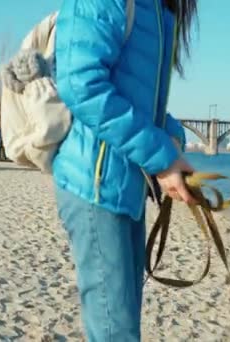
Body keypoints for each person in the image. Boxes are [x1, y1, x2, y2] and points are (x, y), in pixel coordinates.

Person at [52, 1, 198, 340]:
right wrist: (161, 157)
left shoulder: (157, 10)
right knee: (115, 331)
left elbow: (135, 96)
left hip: (126, 186)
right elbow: (81, 85)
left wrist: (171, 137)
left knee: (120, 325)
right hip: (96, 184)